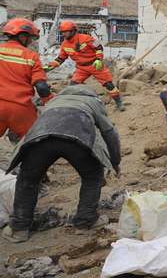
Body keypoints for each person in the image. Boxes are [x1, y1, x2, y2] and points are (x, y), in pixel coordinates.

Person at [2, 85, 121, 243]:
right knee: (92, 177)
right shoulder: (93, 102)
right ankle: (85, 221)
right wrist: (115, 162)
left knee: (27, 180)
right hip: (76, 139)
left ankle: (19, 229)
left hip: (40, 139)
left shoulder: (53, 102)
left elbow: (37, 126)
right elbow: (109, 132)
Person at [44, 21, 124, 111]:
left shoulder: (86, 38)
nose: (64, 34)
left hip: (95, 65)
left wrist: (99, 59)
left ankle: (119, 103)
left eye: (66, 32)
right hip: (81, 68)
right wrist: (49, 67)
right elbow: (60, 59)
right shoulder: (64, 45)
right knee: (73, 86)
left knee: (108, 84)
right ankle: (75, 105)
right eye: (62, 32)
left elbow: (99, 47)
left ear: (73, 31)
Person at [0, 18, 52, 138]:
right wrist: (50, 101)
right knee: (35, 140)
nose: (30, 42)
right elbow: (41, 87)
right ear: (22, 36)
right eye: (30, 38)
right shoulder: (31, 56)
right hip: (20, 108)